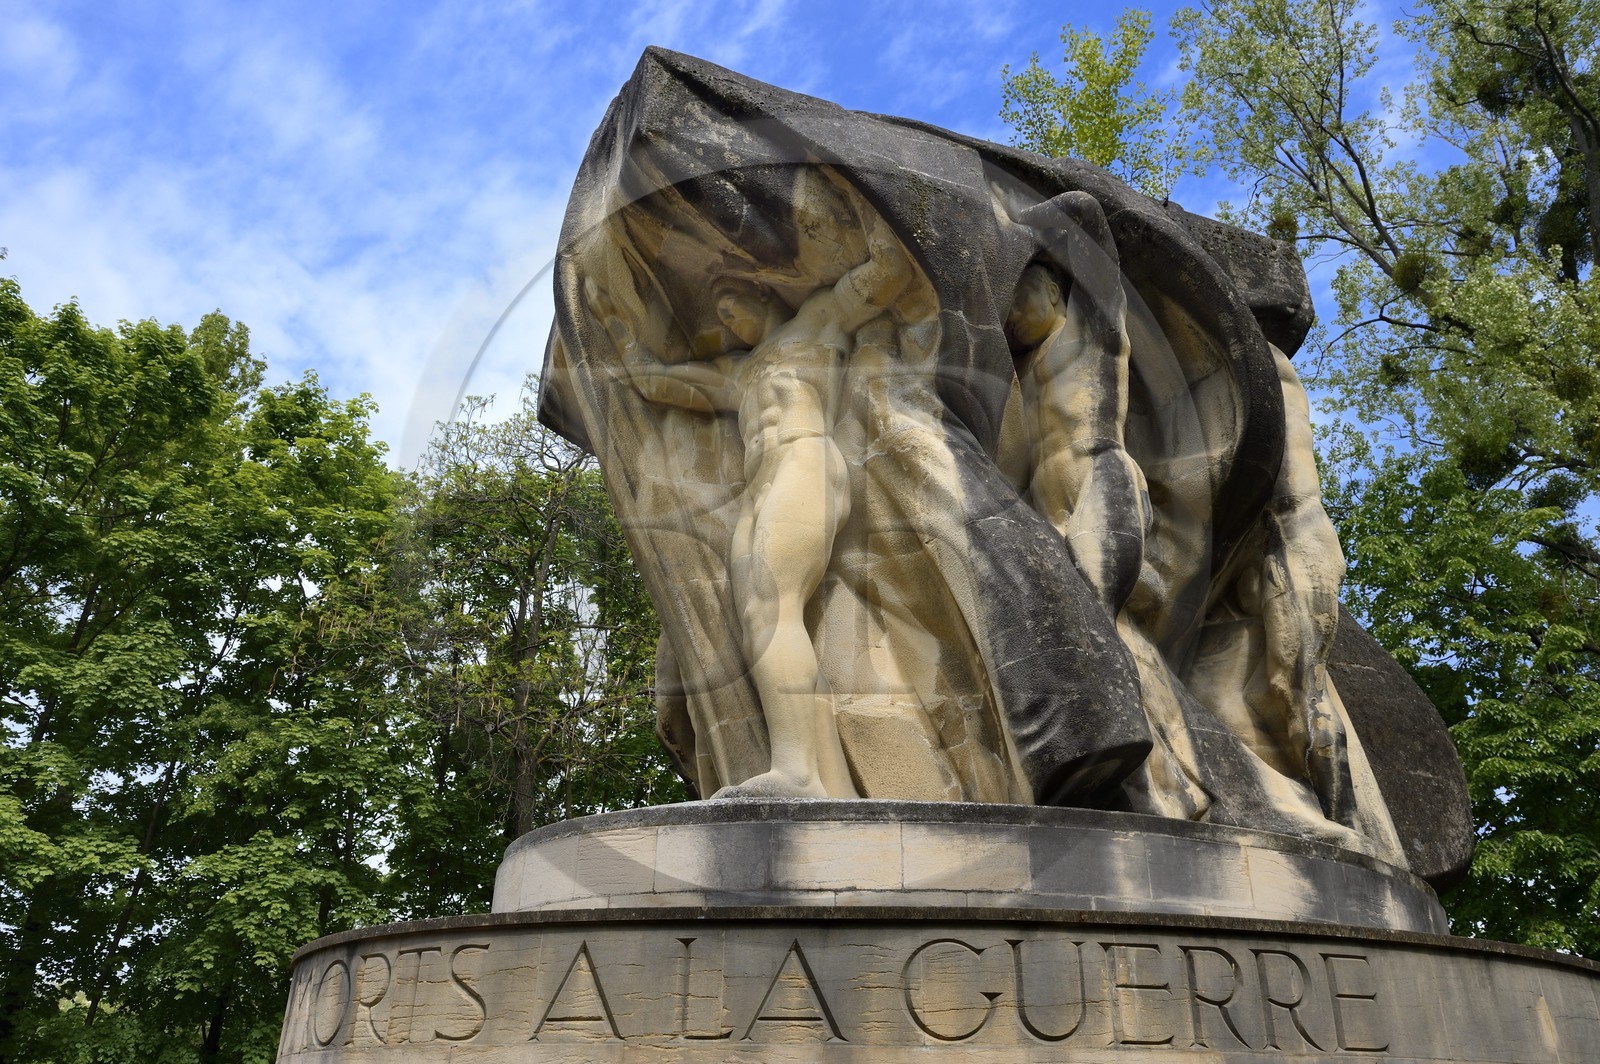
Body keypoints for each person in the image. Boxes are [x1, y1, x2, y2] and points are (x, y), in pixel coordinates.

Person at [600, 203, 913, 798]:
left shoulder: (817, 322)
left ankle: (795, 772)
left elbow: (887, 272)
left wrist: (864, 203)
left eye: (732, 302)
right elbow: (652, 381)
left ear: (761, 294)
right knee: (757, 620)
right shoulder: (738, 374)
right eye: (719, 312)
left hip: (805, 459)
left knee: (772, 609)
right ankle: (829, 785)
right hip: (760, 483)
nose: (727, 316)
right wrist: (613, 323)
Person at [1005, 192, 1149, 616]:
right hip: (1038, 511)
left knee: (1092, 615)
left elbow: (1085, 212)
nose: (1010, 313)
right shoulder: (1014, 371)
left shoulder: (1091, 336)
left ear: (1052, 289)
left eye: (1019, 296)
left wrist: (1009, 222)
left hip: (1097, 479)